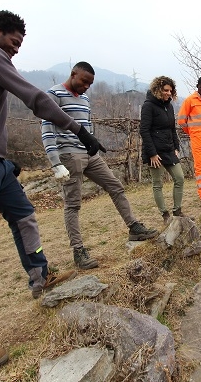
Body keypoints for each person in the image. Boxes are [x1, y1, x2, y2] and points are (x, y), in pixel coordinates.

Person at [0, 10, 105, 373]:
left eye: (18, 46)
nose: (15, 51)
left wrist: (3, 159)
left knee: (25, 217)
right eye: (14, 43)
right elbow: (33, 97)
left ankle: (40, 275)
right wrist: (79, 130)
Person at [41, 61, 158, 270]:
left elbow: (85, 127)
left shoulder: (84, 98)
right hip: (69, 155)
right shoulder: (54, 95)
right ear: (73, 74)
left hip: (89, 154)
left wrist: (93, 141)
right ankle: (78, 251)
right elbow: (47, 130)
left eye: (90, 83)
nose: (86, 86)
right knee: (73, 204)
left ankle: (134, 227)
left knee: (115, 186)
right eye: (84, 81)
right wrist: (55, 162)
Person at [140, 76, 186, 224]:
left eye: (170, 91)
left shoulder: (169, 106)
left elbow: (172, 129)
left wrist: (176, 147)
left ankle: (177, 211)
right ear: (158, 89)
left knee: (179, 178)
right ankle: (165, 215)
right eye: (166, 90)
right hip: (155, 152)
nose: (168, 93)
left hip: (169, 150)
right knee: (157, 183)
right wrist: (152, 154)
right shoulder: (148, 106)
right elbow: (144, 131)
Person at [177, 76, 201, 209]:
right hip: (198, 138)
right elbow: (181, 120)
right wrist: (192, 132)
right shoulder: (190, 100)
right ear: (197, 86)